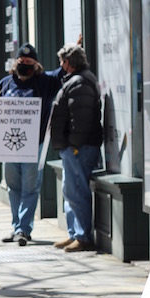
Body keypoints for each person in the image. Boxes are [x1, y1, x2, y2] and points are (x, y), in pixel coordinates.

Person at [0, 43, 64, 246]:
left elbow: (62, 71)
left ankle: (23, 229)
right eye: (21, 61)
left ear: (36, 64)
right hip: (7, 146)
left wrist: (74, 48)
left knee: (30, 187)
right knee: (13, 187)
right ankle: (17, 225)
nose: (24, 64)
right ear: (15, 62)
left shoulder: (44, 83)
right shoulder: (5, 84)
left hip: (33, 146)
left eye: (29, 62)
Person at [50, 44, 103, 252]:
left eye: (63, 61)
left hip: (78, 148)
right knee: (70, 190)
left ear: (69, 62)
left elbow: (80, 118)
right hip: (74, 147)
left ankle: (83, 236)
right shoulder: (77, 80)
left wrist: (73, 144)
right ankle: (75, 233)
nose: (61, 66)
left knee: (77, 190)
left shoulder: (79, 82)